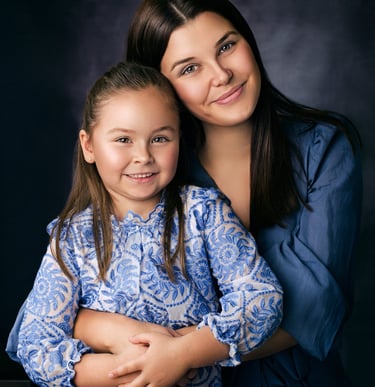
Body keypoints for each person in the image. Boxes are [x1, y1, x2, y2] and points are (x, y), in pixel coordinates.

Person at [68, 0, 363, 386]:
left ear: (249, 41)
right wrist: (108, 331)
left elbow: (313, 308)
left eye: (226, 46)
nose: (222, 74)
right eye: (190, 68)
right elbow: (73, 295)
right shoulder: (152, 169)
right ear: (159, 87)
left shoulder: (323, 148)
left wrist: (180, 352)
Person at [6, 61, 283, 386]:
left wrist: (180, 354)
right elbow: (35, 346)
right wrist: (135, 370)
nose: (143, 156)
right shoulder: (72, 238)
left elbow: (262, 299)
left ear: (180, 138)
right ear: (89, 146)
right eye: (123, 140)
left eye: (160, 139)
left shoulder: (205, 214)